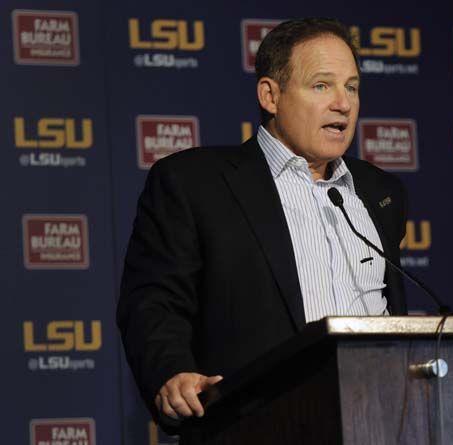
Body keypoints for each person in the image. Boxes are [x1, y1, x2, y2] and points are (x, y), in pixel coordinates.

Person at [117, 17, 408, 440]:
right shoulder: (194, 183)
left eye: (352, 86)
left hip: (380, 423)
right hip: (257, 425)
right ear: (271, 95)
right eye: (322, 85)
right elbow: (153, 301)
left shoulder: (381, 191)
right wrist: (172, 373)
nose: (343, 103)